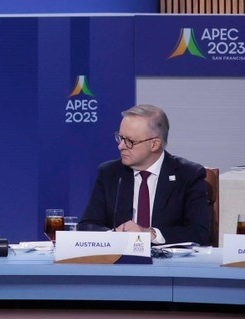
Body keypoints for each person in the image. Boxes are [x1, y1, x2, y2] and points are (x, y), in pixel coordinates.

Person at [78, 104, 210, 245]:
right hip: (120, 262)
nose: (121, 146)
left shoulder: (188, 175)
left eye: (130, 141)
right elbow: (87, 225)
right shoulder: (110, 173)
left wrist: (150, 234)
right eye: (120, 138)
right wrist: (114, 236)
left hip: (168, 264)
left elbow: (199, 233)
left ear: (154, 144)